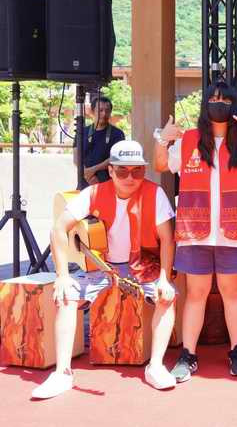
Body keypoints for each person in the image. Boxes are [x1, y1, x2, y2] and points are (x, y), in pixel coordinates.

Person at [154, 81, 237, 380]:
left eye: (225, 100)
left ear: (234, 105)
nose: (219, 104)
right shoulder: (189, 139)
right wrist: (163, 139)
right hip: (194, 230)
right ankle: (188, 355)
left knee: (232, 292)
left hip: (233, 231)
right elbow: (161, 164)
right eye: (213, 99)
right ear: (205, 104)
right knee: (196, 294)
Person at [32, 140, 177, 399]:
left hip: (142, 263)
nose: (130, 178)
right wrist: (62, 275)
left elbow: (167, 239)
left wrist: (165, 278)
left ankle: (155, 365)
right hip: (101, 266)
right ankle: (62, 373)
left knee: (167, 296)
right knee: (65, 296)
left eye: (137, 171)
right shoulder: (93, 193)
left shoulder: (155, 194)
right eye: (122, 171)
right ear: (110, 170)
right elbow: (59, 229)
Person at [77, 95, 125, 185]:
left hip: (108, 182)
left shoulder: (118, 134)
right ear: (92, 111)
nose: (104, 114)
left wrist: (93, 170)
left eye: (107, 111)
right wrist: (87, 174)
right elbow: (76, 155)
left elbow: (117, 157)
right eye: (100, 110)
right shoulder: (82, 132)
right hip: (84, 181)